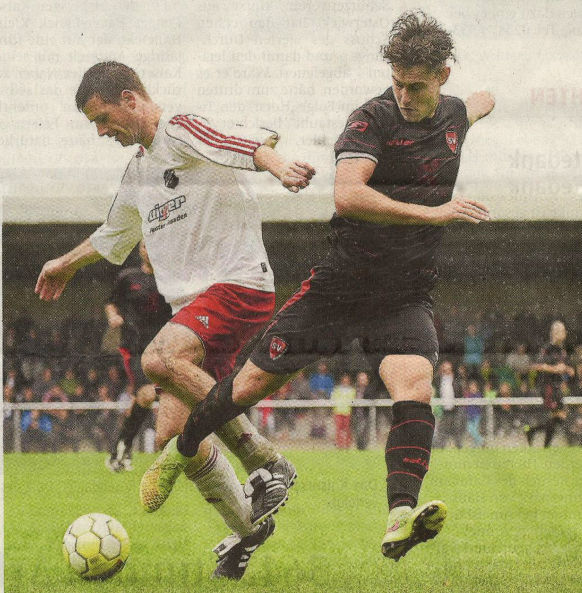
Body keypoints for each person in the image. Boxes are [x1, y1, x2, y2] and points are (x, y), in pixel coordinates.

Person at [142, 10, 494, 561]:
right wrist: (436, 214)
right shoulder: (369, 119)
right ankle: (180, 451)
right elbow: (348, 196)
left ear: (442, 76)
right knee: (249, 385)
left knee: (414, 385)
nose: (403, 94)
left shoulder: (452, 114)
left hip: (403, 297)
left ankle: (400, 514)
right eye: (397, 81)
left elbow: (478, 102)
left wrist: (480, 104)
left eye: (415, 84)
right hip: (339, 289)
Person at [35, 61, 315, 579]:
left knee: (159, 358)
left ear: (130, 98)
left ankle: (268, 464)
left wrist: (277, 166)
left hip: (236, 283)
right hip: (194, 312)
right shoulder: (139, 171)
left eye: (103, 118)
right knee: (171, 436)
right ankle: (250, 528)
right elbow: (112, 235)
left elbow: (239, 141)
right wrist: (63, 265)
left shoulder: (180, 128)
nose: (101, 132)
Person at [105, 240, 172, 472]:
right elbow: (111, 304)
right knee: (146, 395)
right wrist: (113, 317)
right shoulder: (128, 277)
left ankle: (121, 447)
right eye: (145, 246)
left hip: (164, 348)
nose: (149, 249)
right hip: (134, 347)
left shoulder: (170, 278)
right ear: (141, 250)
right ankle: (122, 447)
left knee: (154, 398)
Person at [524, 321, 574, 447]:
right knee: (559, 415)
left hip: (557, 386)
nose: (563, 333)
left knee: (559, 416)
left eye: (563, 331)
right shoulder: (547, 349)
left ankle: (532, 432)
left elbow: (561, 366)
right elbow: (536, 365)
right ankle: (543, 443)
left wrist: (568, 369)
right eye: (561, 331)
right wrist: (554, 369)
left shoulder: (562, 350)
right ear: (554, 333)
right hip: (548, 387)